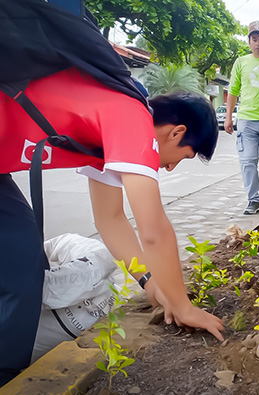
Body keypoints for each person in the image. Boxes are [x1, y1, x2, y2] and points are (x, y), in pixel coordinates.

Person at [0, 67, 225, 385]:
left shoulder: (110, 131)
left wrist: (150, 282)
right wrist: (184, 306)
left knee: (23, 262)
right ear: (175, 132)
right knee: (21, 270)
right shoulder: (132, 116)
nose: (171, 167)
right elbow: (154, 230)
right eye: (182, 157)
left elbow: (111, 218)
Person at [224, 21, 259, 215]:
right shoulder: (241, 62)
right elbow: (233, 90)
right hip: (247, 119)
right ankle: (253, 199)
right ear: (249, 42)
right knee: (248, 160)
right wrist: (228, 116)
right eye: (254, 39)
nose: (258, 43)